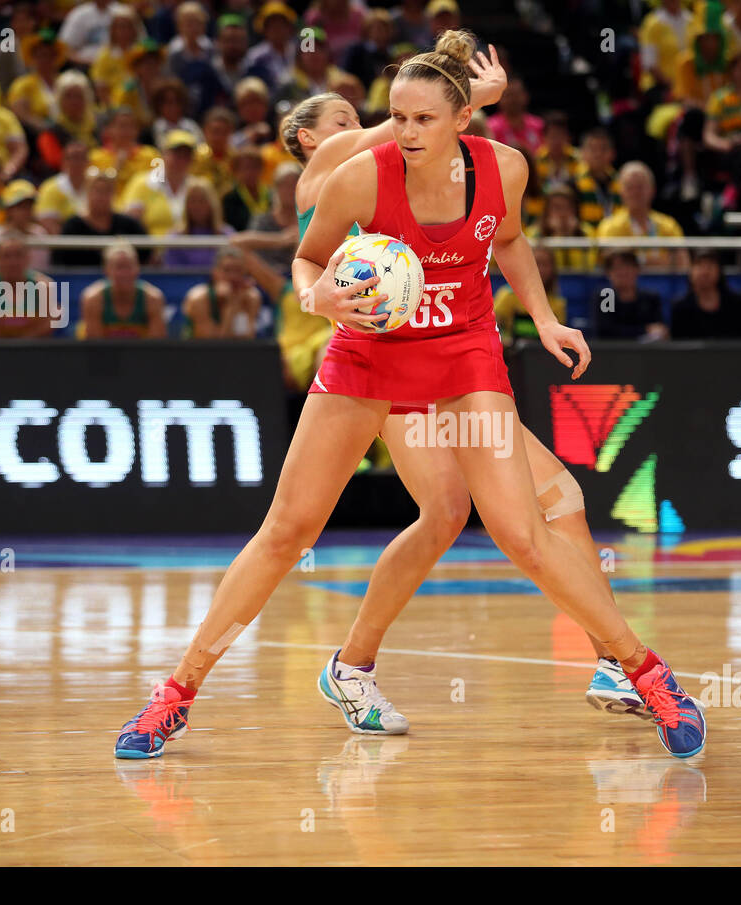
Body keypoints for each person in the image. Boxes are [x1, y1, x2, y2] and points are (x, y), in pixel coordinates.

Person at [113, 31, 706, 760]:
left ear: (463, 119)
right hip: (368, 355)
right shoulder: (358, 175)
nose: (406, 131)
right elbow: (306, 258)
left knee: (523, 530)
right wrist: (318, 298)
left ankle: (644, 673)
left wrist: (546, 317)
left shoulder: (505, 169)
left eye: (424, 118)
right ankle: (175, 695)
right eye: (397, 116)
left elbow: (511, 239)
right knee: (288, 531)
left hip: (463, 360)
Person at [274, 64, 657, 726]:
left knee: (548, 497)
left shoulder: (418, 159)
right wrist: (461, 100)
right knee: (448, 510)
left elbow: (500, 230)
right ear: (308, 139)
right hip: (379, 363)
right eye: (344, 118)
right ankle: (352, 666)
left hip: (448, 360)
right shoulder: (332, 169)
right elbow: (395, 131)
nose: (365, 124)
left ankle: (612, 661)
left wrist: (455, 103)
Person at [55, 166, 149, 268]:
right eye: (97, 190)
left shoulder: (129, 225)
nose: (101, 196)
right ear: (87, 193)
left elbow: (147, 257)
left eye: (107, 191)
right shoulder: (72, 226)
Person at [0, 231, 62, 338]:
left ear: (28, 258)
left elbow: (50, 322)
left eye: (18, 255)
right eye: (6, 256)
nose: (13, 262)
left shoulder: (45, 286)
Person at [78, 241, 166, 339]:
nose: (125, 273)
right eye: (119, 267)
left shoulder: (153, 299)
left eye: (129, 267)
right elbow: (95, 347)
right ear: (106, 270)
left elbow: (155, 348)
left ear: (138, 268)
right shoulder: (93, 300)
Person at [180, 246, 261, 338]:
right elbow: (214, 346)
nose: (233, 276)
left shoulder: (252, 297)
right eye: (227, 270)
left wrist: (235, 301)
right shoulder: (198, 298)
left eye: (238, 270)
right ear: (215, 272)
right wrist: (232, 305)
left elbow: (248, 339)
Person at [669, 249, 741, 338]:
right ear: (691, 271)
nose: (705, 272)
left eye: (710, 266)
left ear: (719, 271)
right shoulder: (680, 307)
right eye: (699, 265)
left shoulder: (737, 304)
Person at [592, 249, 669, 341]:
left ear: (637, 270)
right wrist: (645, 329)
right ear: (609, 273)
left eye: (628, 267)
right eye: (617, 268)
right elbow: (606, 332)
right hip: (613, 352)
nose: (623, 272)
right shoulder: (606, 296)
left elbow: (658, 328)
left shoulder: (650, 297)